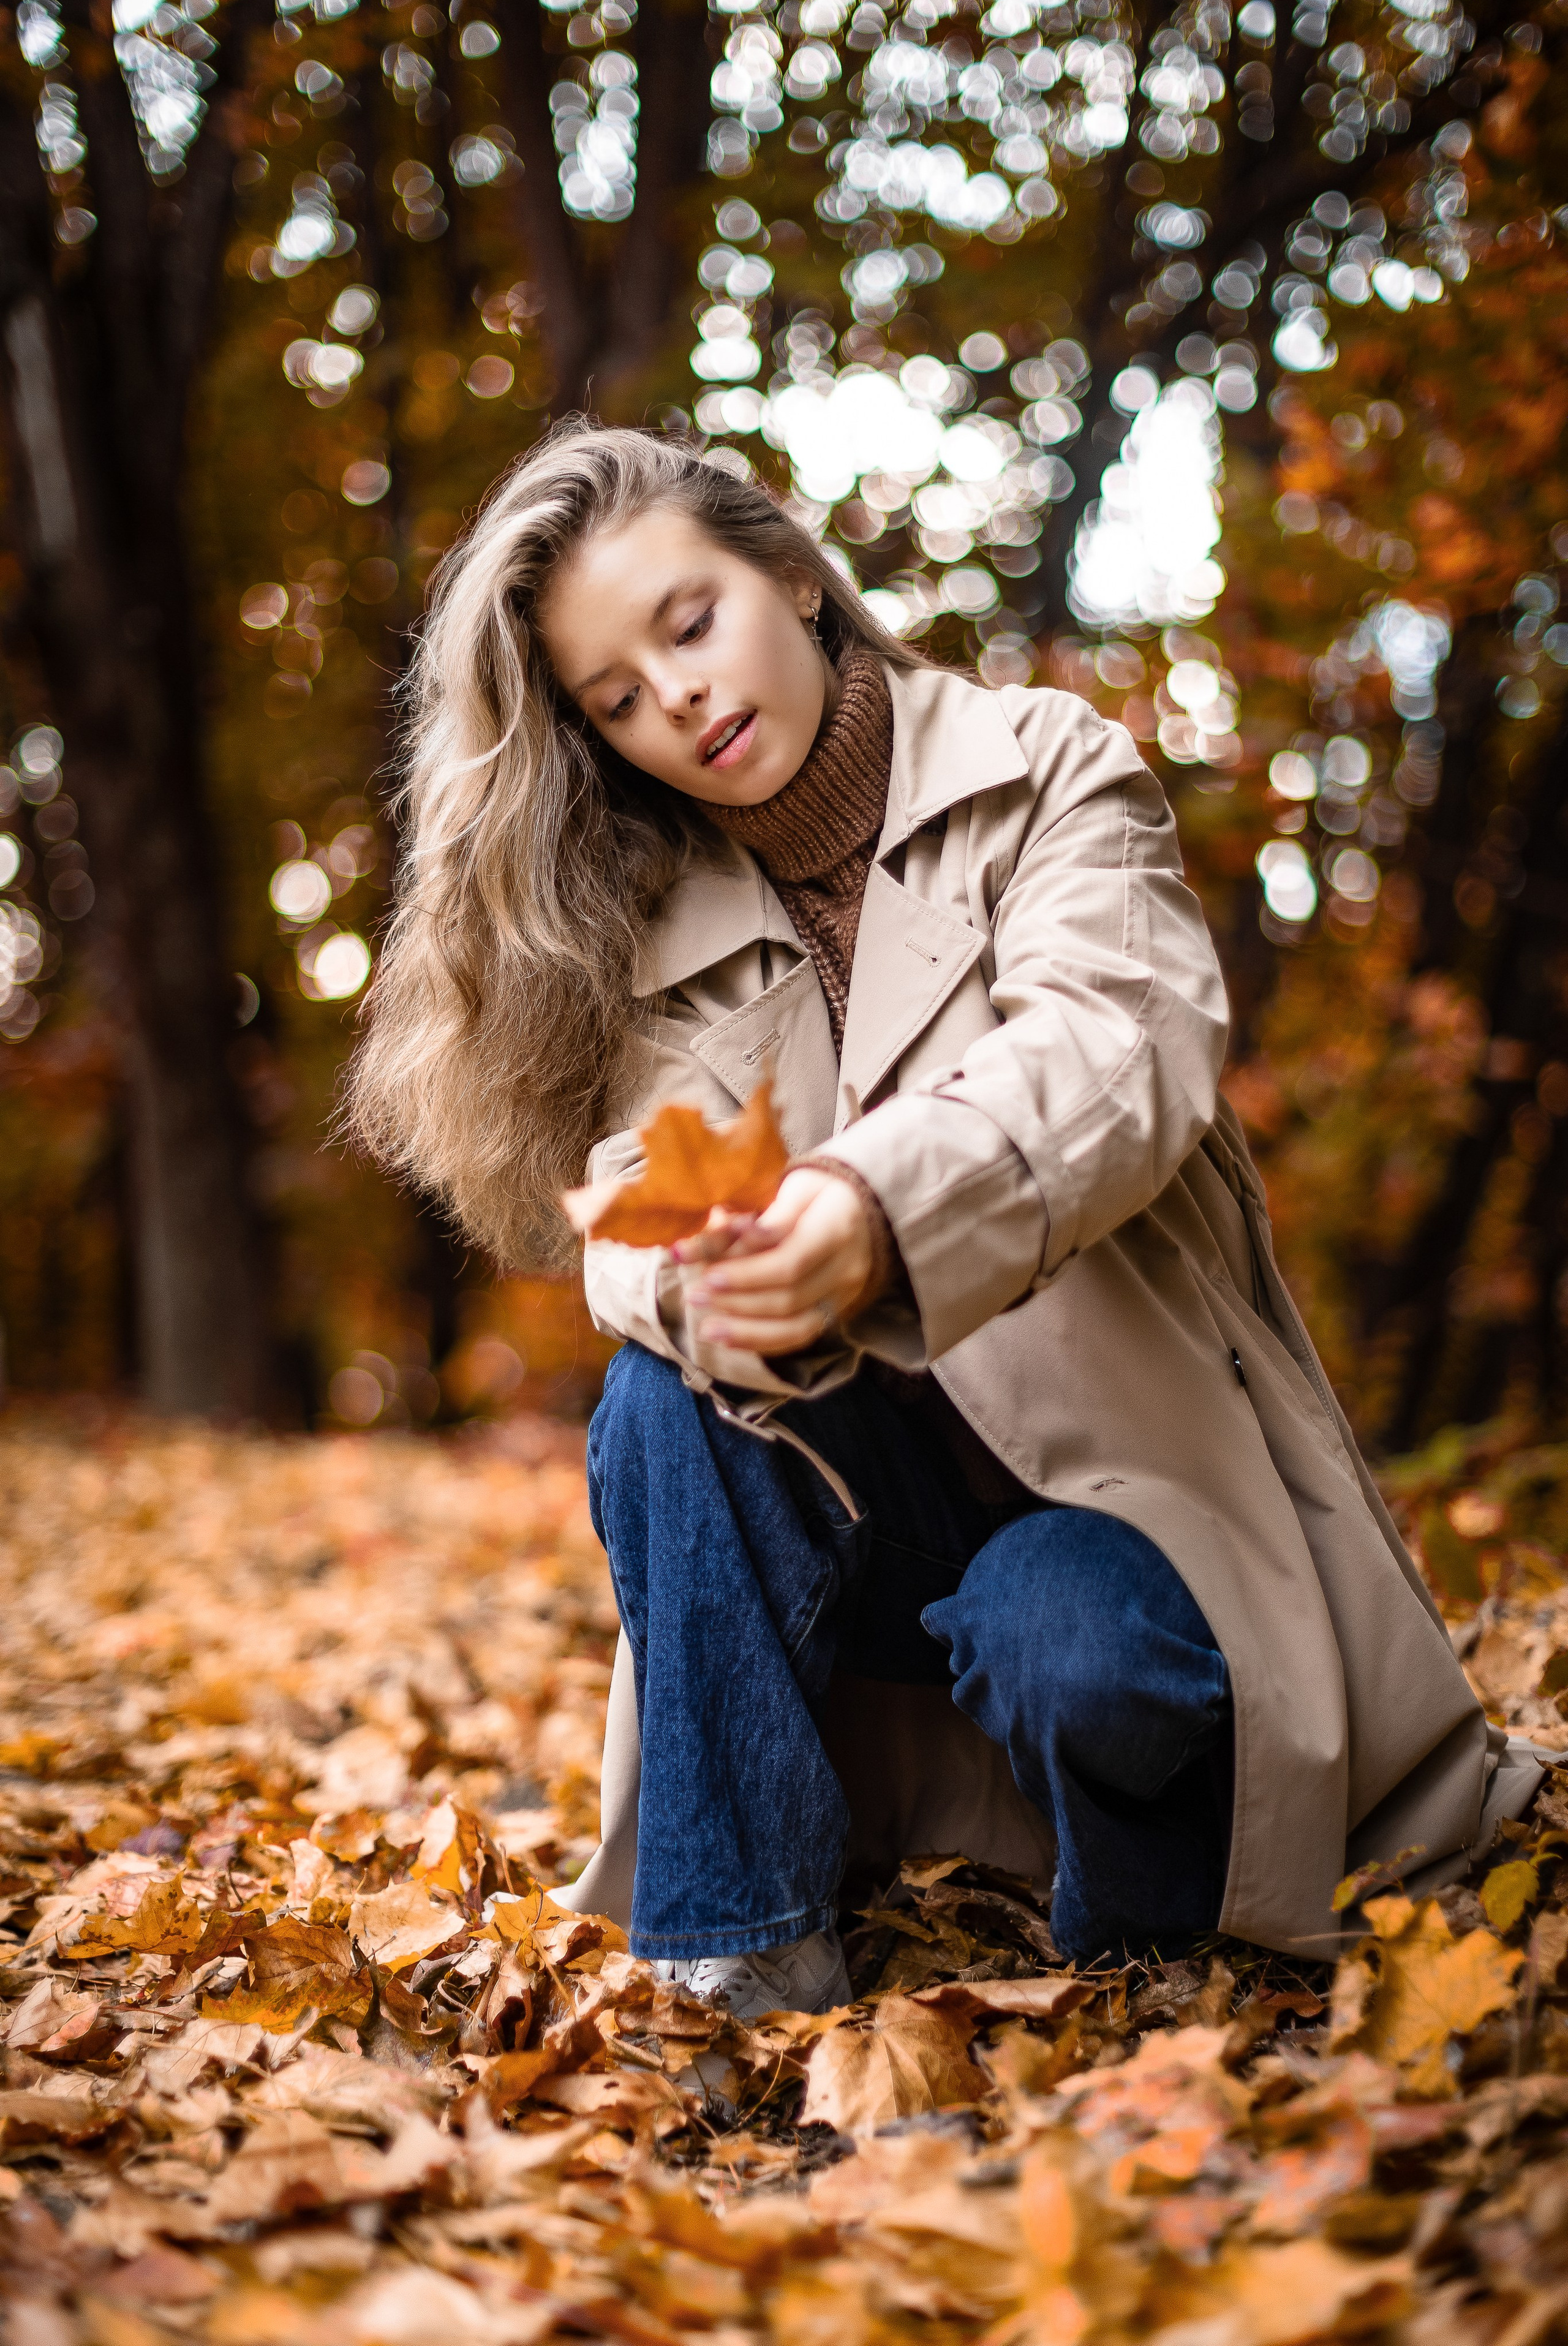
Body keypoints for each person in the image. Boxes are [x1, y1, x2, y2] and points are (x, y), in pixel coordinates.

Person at [347, 420, 1540, 2019]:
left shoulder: (1047, 768)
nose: (677, 700)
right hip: (872, 1505)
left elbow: (1116, 1047)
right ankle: (738, 1944)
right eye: (616, 700)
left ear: (792, 576)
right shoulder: (650, 925)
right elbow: (630, 1202)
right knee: (656, 1402)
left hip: (1127, 1498)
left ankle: (1149, 1949)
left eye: (689, 625)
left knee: (1074, 1642)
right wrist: (703, 1290)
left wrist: (871, 1209)